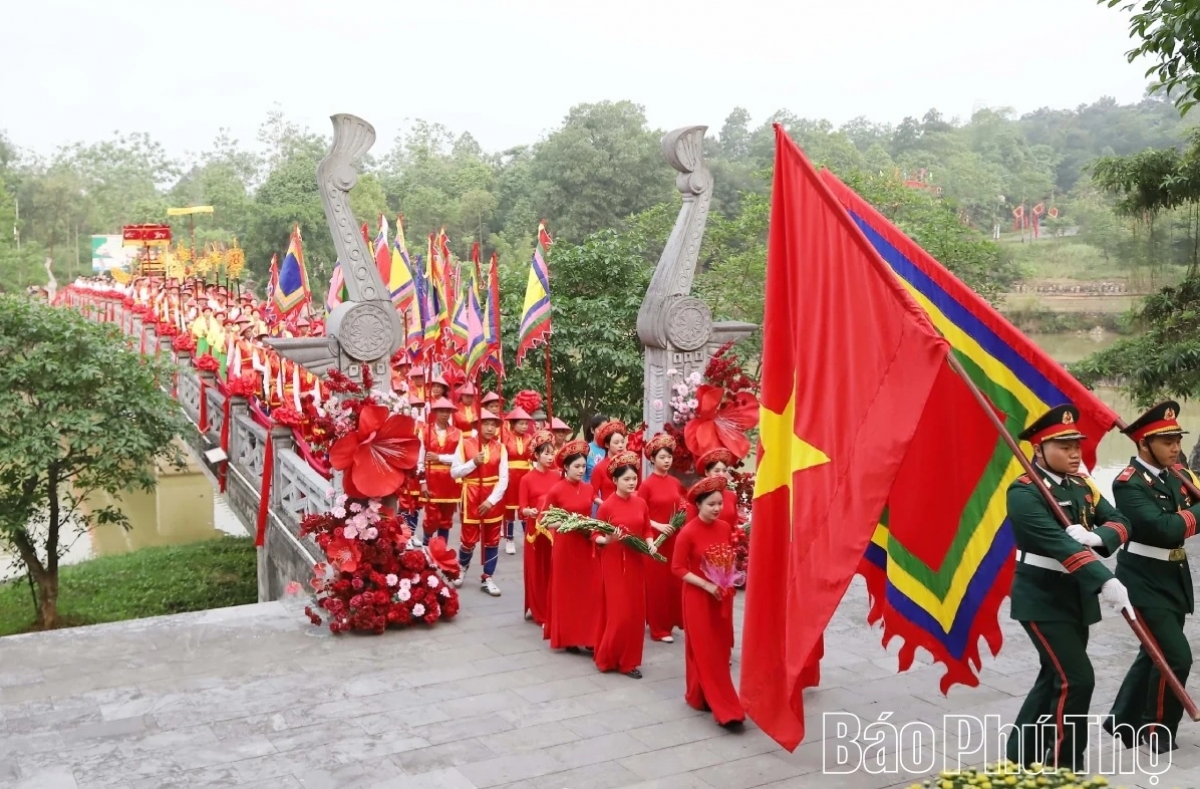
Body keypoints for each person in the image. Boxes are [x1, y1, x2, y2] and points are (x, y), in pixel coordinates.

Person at [1005, 404, 1134, 771]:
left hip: (1074, 598)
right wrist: (1106, 579)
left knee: (1053, 676)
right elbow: (1059, 547)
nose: (1075, 452)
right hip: (1042, 598)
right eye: (1064, 446)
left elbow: (1120, 521)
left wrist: (1097, 535)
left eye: (1077, 444)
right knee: (1077, 679)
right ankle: (1065, 764)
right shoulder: (1025, 493)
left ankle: (1019, 755)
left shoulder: (1082, 487)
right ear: (1038, 449)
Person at [1106, 401, 1200, 753]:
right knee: (1176, 656)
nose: (1175, 447)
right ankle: (1156, 728)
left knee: (1153, 651)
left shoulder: (1176, 474)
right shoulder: (1128, 483)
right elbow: (1164, 528)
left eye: (1177, 439)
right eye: (1167, 441)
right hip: (1142, 580)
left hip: (1173, 576)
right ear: (1144, 444)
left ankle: (1122, 720)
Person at [672, 476, 744, 729]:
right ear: (698, 504)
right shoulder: (688, 532)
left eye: (719, 503)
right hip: (698, 598)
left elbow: (728, 557)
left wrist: (727, 579)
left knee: (720, 649)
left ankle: (697, 694)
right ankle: (726, 708)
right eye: (711, 504)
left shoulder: (724, 527)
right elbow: (677, 568)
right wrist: (707, 585)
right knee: (705, 651)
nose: (716, 508)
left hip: (721, 598)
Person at [594, 451, 654, 679]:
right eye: (626, 479)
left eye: (634, 479)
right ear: (616, 480)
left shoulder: (640, 503)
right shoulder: (607, 506)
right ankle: (607, 657)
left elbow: (646, 527)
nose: (631, 483)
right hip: (614, 562)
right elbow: (595, 534)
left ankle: (629, 661)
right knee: (620, 614)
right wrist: (609, 540)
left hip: (637, 562)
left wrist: (651, 544)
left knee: (636, 613)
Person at [542, 439, 602, 652]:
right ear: (566, 467)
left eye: (583, 466)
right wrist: (569, 523)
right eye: (576, 466)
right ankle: (569, 636)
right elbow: (545, 520)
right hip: (566, 546)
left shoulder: (588, 488)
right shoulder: (556, 490)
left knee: (589, 590)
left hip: (585, 544)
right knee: (568, 590)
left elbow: (598, 505)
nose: (580, 470)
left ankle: (589, 636)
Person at [450, 412, 508, 597]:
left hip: (492, 497)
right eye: (486, 424)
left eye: (493, 424)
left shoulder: (501, 448)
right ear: (478, 426)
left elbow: (504, 477)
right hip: (471, 494)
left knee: (492, 540)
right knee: (468, 539)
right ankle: (462, 566)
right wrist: (473, 463)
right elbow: (455, 473)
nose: (490, 428)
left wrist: (491, 500)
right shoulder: (464, 444)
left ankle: (488, 577)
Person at [639, 434, 687, 644]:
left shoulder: (676, 483)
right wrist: (658, 525)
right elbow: (638, 514)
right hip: (655, 540)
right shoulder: (646, 486)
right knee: (657, 584)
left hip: (674, 539)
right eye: (662, 457)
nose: (667, 460)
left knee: (672, 583)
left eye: (669, 456)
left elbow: (683, 506)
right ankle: (658, 628)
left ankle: (671, 621)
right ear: (653, 460)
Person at [518, 431, 559, 626]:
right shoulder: (527, 479)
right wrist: (530, 511)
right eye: (546, 453)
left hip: (553, 530)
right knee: (536, 571)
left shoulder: (558, 476)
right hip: (535, 531)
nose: (551, 457)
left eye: (552, 453)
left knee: (552, 569)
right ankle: (539, 612)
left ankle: (551, 608)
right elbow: (521, 508)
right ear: (536, 455)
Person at [419, 398, 462, 546]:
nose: (444, 414)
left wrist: (439, 457)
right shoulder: (425, 431)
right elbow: (420, 459)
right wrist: (422, 482)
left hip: (450, 480)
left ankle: (442, 549)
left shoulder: (457, 433)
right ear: (436, 412)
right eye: (441, 411)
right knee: (431, 517)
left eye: (447, 411)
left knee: (446, 518)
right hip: (432, 480)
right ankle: (426, 547)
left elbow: (459, 458)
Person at [503, 407, 535, 555]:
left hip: (525, 475)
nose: (524, 426)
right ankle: (509, 539)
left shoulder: (530, 438)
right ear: (513, 424)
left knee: (525, 508)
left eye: (525, 424)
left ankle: (527, 536)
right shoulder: (506, 438)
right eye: (521, 423)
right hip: (510, 475)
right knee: (509, 509)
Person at [591, 421, 633, 504]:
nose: (621, 445)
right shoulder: (599, 468)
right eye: (616, 443)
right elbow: (593, 494)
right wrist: (604, 505)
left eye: (622, 441)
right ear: (607, 445)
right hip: (607, 510)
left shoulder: (629, 464)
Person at [583, 414, 608, 483]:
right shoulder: (585, 449)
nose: (603, 432)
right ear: (592, 430)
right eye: (600, 429)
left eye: (606, 429)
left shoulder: (612, 448)